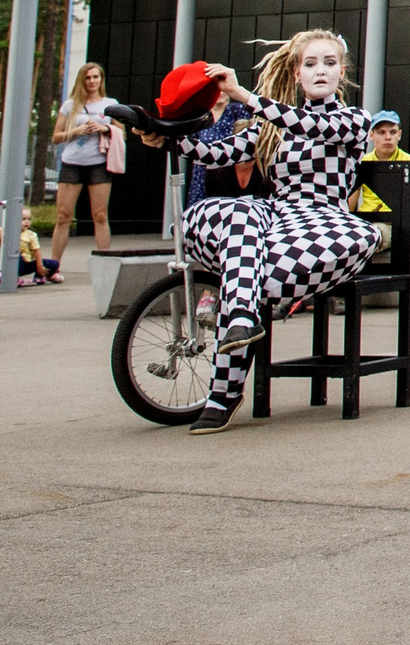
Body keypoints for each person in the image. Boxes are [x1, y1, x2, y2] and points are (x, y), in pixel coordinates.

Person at [135, 31, 380, 435]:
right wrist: (167, 139)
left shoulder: (353, 120)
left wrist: (245, 97)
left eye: (330, 63)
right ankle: (242, 320)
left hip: (324, 224)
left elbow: (307, 124)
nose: (321, 71)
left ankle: (223, 393)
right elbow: (217, 154)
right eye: (311, 64)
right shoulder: (272, 127)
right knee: (238, 213)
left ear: (343, 72)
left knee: (242, 272)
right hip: (275, 218)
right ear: (297, 74)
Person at [46, 62, 121, 281]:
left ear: (101, 79)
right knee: (63, 216)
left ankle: (106, 268)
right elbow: (56, 136)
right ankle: (54, 267)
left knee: (100, 215)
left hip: (98, 163)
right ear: (82, 80)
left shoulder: (110, 104)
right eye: (88, 78)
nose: (92, 81)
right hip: (72, 163)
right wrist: (78, 130)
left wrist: (105, 128)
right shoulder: (70, 105)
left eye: (96, 77)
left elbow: (121, 132)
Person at [350, 110, 410, 216]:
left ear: (399, 135)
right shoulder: (361, 162)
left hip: (394, 221)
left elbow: (409, 204)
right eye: (381, 132)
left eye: (393, 132)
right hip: (366, 219)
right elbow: (350, 204)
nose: (388, 137)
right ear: (371, 135)